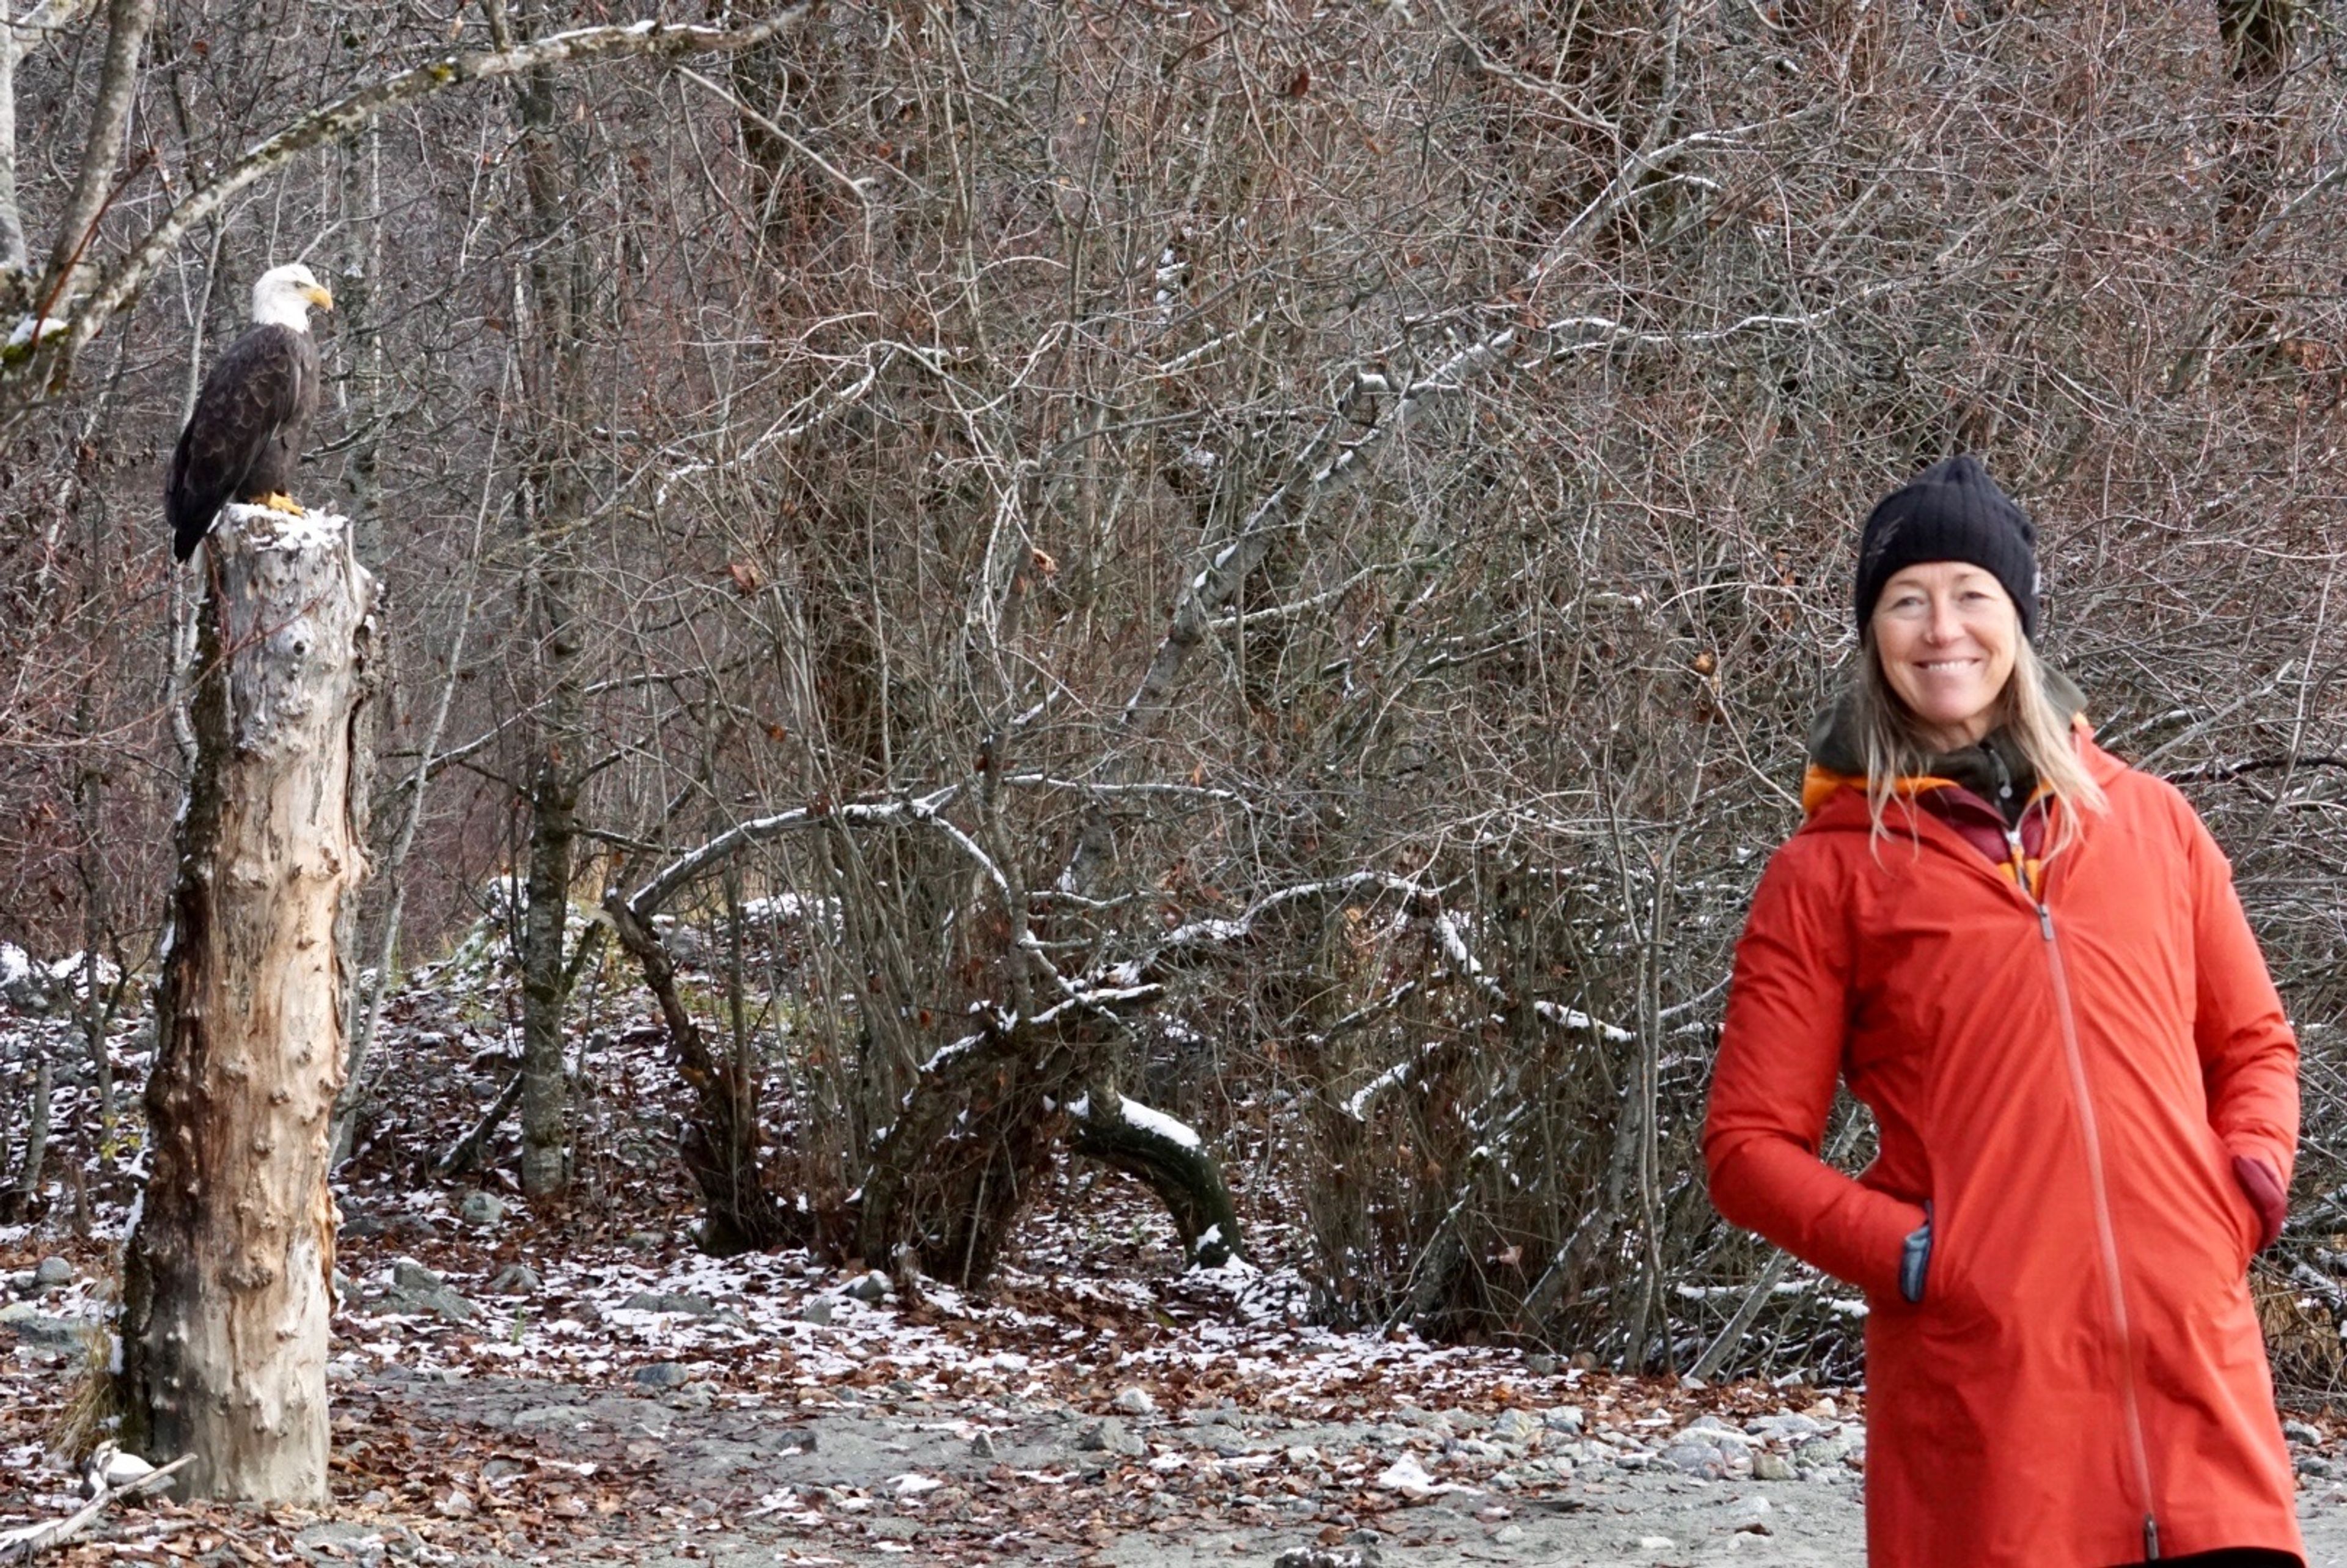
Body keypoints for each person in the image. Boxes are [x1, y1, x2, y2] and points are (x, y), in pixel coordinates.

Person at [1702, 455, 2304, 1568]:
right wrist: (1923, 1256)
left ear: (2019, 617)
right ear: (1873, 632)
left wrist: (2244, 1192)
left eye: (1973, 593)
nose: (1944, 629)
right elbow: (1746, 1147)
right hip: (1992, 1401)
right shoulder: (1828, 871)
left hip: (2194, 1377)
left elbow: (2254, 1043)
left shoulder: (2153, 823)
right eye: (1907, 599)